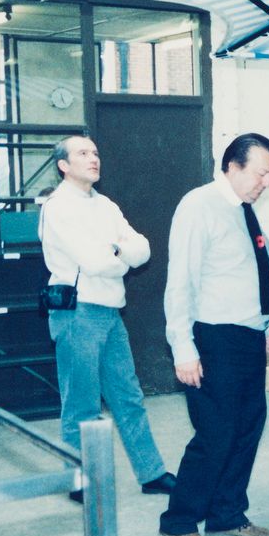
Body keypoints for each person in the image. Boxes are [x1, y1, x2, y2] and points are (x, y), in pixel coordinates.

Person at [159, 133, 269, 536]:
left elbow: (254, 271)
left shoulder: (245, 211)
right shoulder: (199, 206)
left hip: (248, 335)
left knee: (249, 426)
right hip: (214, 337)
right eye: (260, 173)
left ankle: (227, 514)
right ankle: (179, 521)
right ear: (232, 166)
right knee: (216, 431)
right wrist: (183, 347)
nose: (266, 182)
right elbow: (181, 282)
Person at [38, 135, 176, 503]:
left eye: (96, 152)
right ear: (63, 165)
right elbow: (95, 260)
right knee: (81, 402)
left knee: (128, 397)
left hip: (111, 312)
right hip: (77, 313)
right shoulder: (58, 207)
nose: (93, 158)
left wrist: (115, 252)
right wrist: (118, 254)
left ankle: (151, 472)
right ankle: (79, 479)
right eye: (83, 153)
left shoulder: (106, 206)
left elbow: (143, 250)